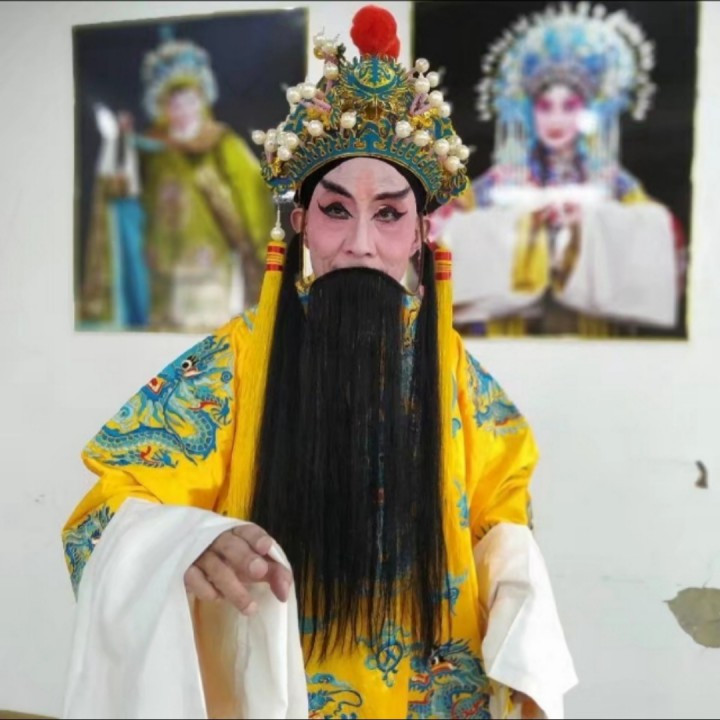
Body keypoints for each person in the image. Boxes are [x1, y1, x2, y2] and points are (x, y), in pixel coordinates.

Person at [63, 7, 576, 719]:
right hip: (280, 691)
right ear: (301, 223)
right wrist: (183, 545)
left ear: (421, 233)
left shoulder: (456, 376)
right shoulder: (235, 364)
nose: (360, 242)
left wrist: (526, 633)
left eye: (389, 214)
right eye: (336, 211)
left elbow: (501, 521)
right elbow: (109, 509)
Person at [433, 2, 686, 338]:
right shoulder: (502, 180)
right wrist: (522, 222)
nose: (556, 119)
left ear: (588, 110)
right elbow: (443, 236)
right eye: (545, 106)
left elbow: (665, 242)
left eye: (569, 107)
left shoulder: (612, 183)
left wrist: (590, 222)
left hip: (590, 334)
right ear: (529, 111)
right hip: (513, 333)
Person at [79, 29, 274, 332]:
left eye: (189, 101)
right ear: (163, 108)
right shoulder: (151, 148)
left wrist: (261, 253)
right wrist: (120, 146)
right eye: (174, 104)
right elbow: (130, 197)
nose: (182, 111)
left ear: (202, 100)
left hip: (208, 273)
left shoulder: (222, 144)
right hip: (158, 275)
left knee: (209, 348)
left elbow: (255, 200)